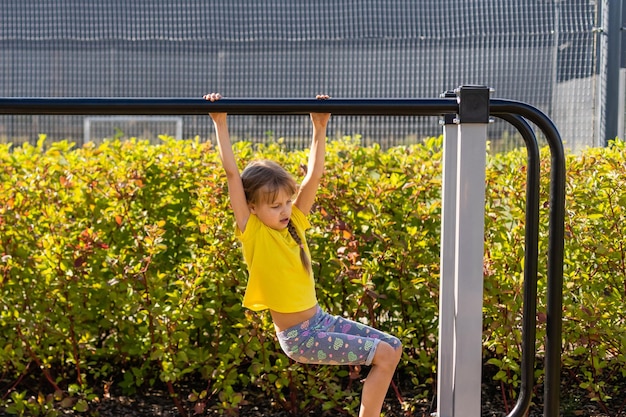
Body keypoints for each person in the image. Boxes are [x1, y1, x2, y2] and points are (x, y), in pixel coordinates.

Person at [204, 92, 402, 417]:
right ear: (252, 207)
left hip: (319, 321)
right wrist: (220, 123)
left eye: (286, 202)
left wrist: (319, 127)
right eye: (274, 205)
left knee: (392, 347)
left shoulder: (294, 221)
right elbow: (231, 175)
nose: (284, 210)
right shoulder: (253, 231)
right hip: (300, 337)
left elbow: (314, 177)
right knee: (382, 353)